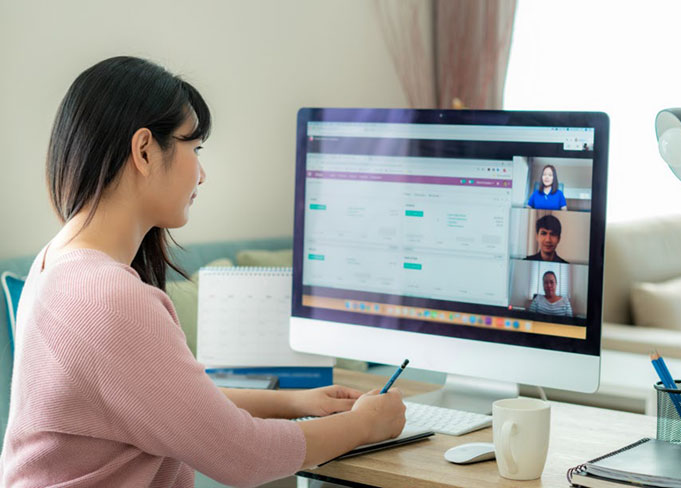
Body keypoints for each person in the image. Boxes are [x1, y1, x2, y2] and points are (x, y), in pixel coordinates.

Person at [0, 56, 405, 487]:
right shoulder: (109, 298)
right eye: (195, 149)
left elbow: (171, 402)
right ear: (144, 150)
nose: (202, 172)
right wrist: (366, 425)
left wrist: (294, 401)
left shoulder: (58, 260)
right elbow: (245, 456)